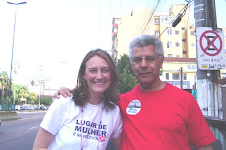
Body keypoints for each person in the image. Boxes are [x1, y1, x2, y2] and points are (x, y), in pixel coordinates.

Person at [55, 35, 216, 150]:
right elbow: (92, 97)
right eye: (137, 60)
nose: (143, 65)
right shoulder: (119, 103)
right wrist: (68, 92)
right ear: (132, 63)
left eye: (150, 58)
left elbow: (204, 145)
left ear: (161, 61)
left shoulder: (185, 100)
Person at [33, 49, 122, 150]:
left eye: (105, 70)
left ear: (112, 74)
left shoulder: (114, 111)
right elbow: (39, 147)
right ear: (84, 75)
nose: (99, 76)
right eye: (93, 70)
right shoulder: (65, 102)